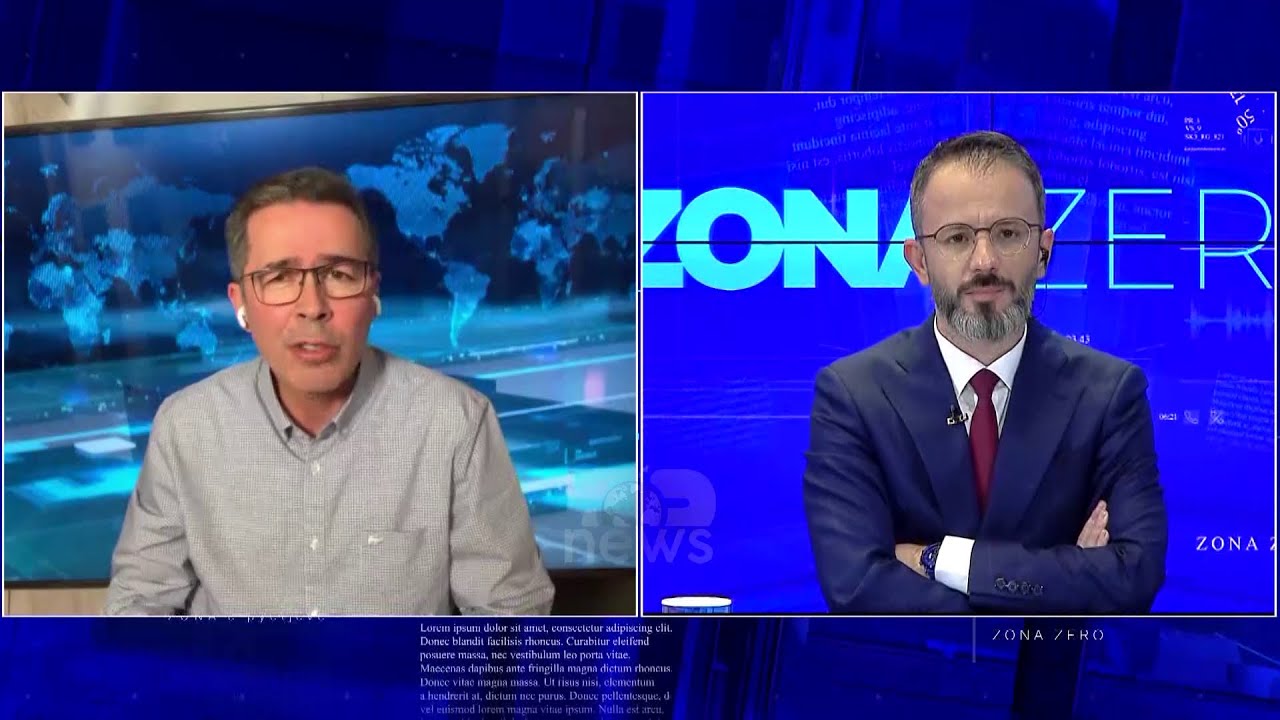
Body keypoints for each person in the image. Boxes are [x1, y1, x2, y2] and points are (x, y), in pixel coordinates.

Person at [105, 167, 554, 616]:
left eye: (339, 274)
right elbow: (139, 605)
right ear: (240, 303)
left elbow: (512, 621)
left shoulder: (456, 423)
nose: (313, 307)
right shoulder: (185, 427)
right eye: (280, 277)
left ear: (372, 293)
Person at [802, 131, 1167, 614]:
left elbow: (1132, 577)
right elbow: (857, 589)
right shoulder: (853, 395)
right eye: (956, 238)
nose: (984, 261)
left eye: (1008, 234)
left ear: (1043, 252)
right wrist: (1067, 580)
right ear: (918, 261)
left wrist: (940, 560)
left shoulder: (1111, 394)